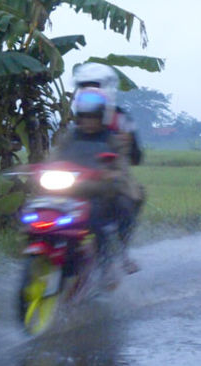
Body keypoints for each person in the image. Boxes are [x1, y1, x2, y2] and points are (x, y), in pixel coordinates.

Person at [48, 64, 144, 274]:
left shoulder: (122, 119)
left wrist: (119, 157)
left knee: (125, 202)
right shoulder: (78, 119)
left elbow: (135, 157)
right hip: (75, 177)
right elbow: (62, 149)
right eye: (83, 86)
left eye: (94, 85)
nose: (88, 91)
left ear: (108, 88)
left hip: (110, 176)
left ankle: (120, 253)